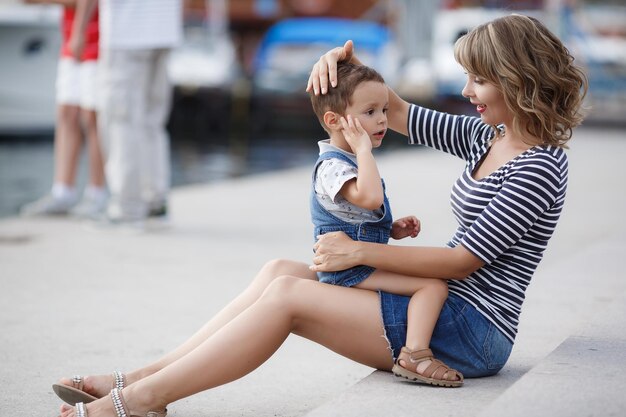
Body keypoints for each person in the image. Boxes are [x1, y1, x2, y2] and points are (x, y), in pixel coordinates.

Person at [53, 14, 587, 417]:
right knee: (279, 273)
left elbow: (463, 261)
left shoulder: (538, 167)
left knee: (291, 298)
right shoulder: (486, 136)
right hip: (442, 307)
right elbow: (394, 110)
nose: (467, 92)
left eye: (479, 80)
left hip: (472, 331)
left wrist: (358, 251)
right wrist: (339, 66)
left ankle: (141, 401)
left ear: (517, 80)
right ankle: (139, 377)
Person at [309, 62, 462, 386]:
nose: (381, 119)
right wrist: (364, 149)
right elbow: (369, 197)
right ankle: (415, 354)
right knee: (432, 286)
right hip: (347, 269)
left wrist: (390, 229)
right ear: (334, 121)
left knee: (430, 284)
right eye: (370, 112)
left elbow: (358, 212)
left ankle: (415, 350)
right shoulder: (333, 166)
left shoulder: (350, 161)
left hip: (356, 261)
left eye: (385, 110)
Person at [70, 0, 183, 227]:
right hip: (165, 29)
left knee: (120, 122)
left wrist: (79, 30)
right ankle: (155, 204)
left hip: (127, 34)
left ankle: (126, 209)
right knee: (152, 123)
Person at [20, 0, 107, 219]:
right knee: (67, 113)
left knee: (92, 118)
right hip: (71, 40)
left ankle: (97, 193)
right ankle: (62, 192)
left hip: (96, 41)